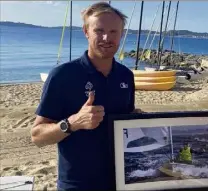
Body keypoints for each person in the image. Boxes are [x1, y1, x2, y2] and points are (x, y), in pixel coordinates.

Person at [31, 2, 140, 190]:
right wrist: (73, 123)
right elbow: (37, 136)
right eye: (99, 30)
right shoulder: (62, 75)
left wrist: (138, 120)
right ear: (86, 31)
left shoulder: (126, 76)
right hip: (77, 185)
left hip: (120, 181)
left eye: (114, 32)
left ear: (122, 34)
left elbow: (124, 126)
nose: (107, 38)